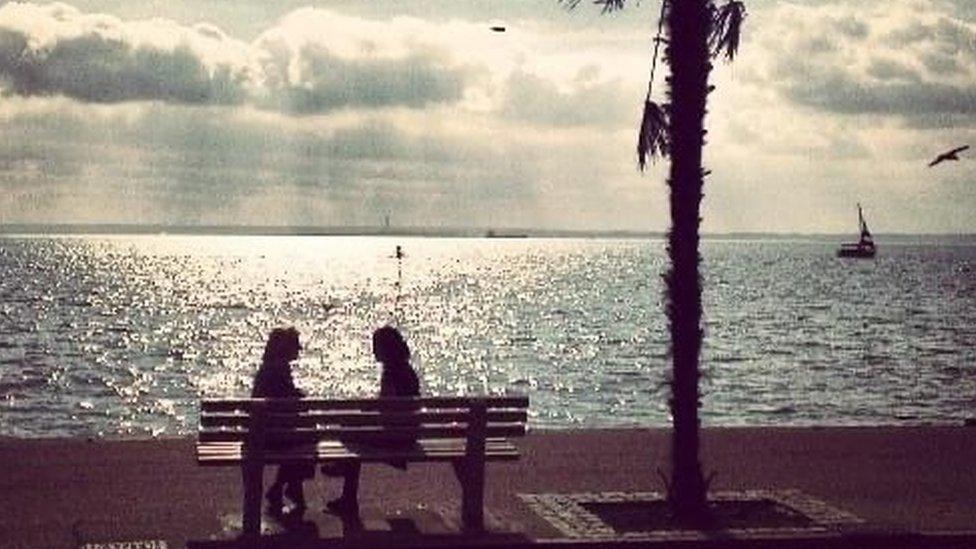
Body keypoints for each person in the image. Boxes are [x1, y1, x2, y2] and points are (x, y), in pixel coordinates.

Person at [323, 325, 420, 514]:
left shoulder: (392, 373)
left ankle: (347, 492)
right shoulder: (407, 371)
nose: (373, 350)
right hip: (408, 434)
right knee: (354, 429)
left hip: (396, 438)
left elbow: (386, 409)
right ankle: (346, 492)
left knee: (350, 432)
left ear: (385, 349)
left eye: (375, 346)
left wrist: (367, 411)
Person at [252, 326, 313, 517]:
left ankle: (282, 488)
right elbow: (287, 401)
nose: (298, 350)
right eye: (295, 346)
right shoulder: (279, 369)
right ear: (285, 348)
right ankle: (286, 489)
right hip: (272, 436)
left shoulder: (268, 368)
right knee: (307, 439)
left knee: (301, 440)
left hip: (263, 433)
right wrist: (298, 397)